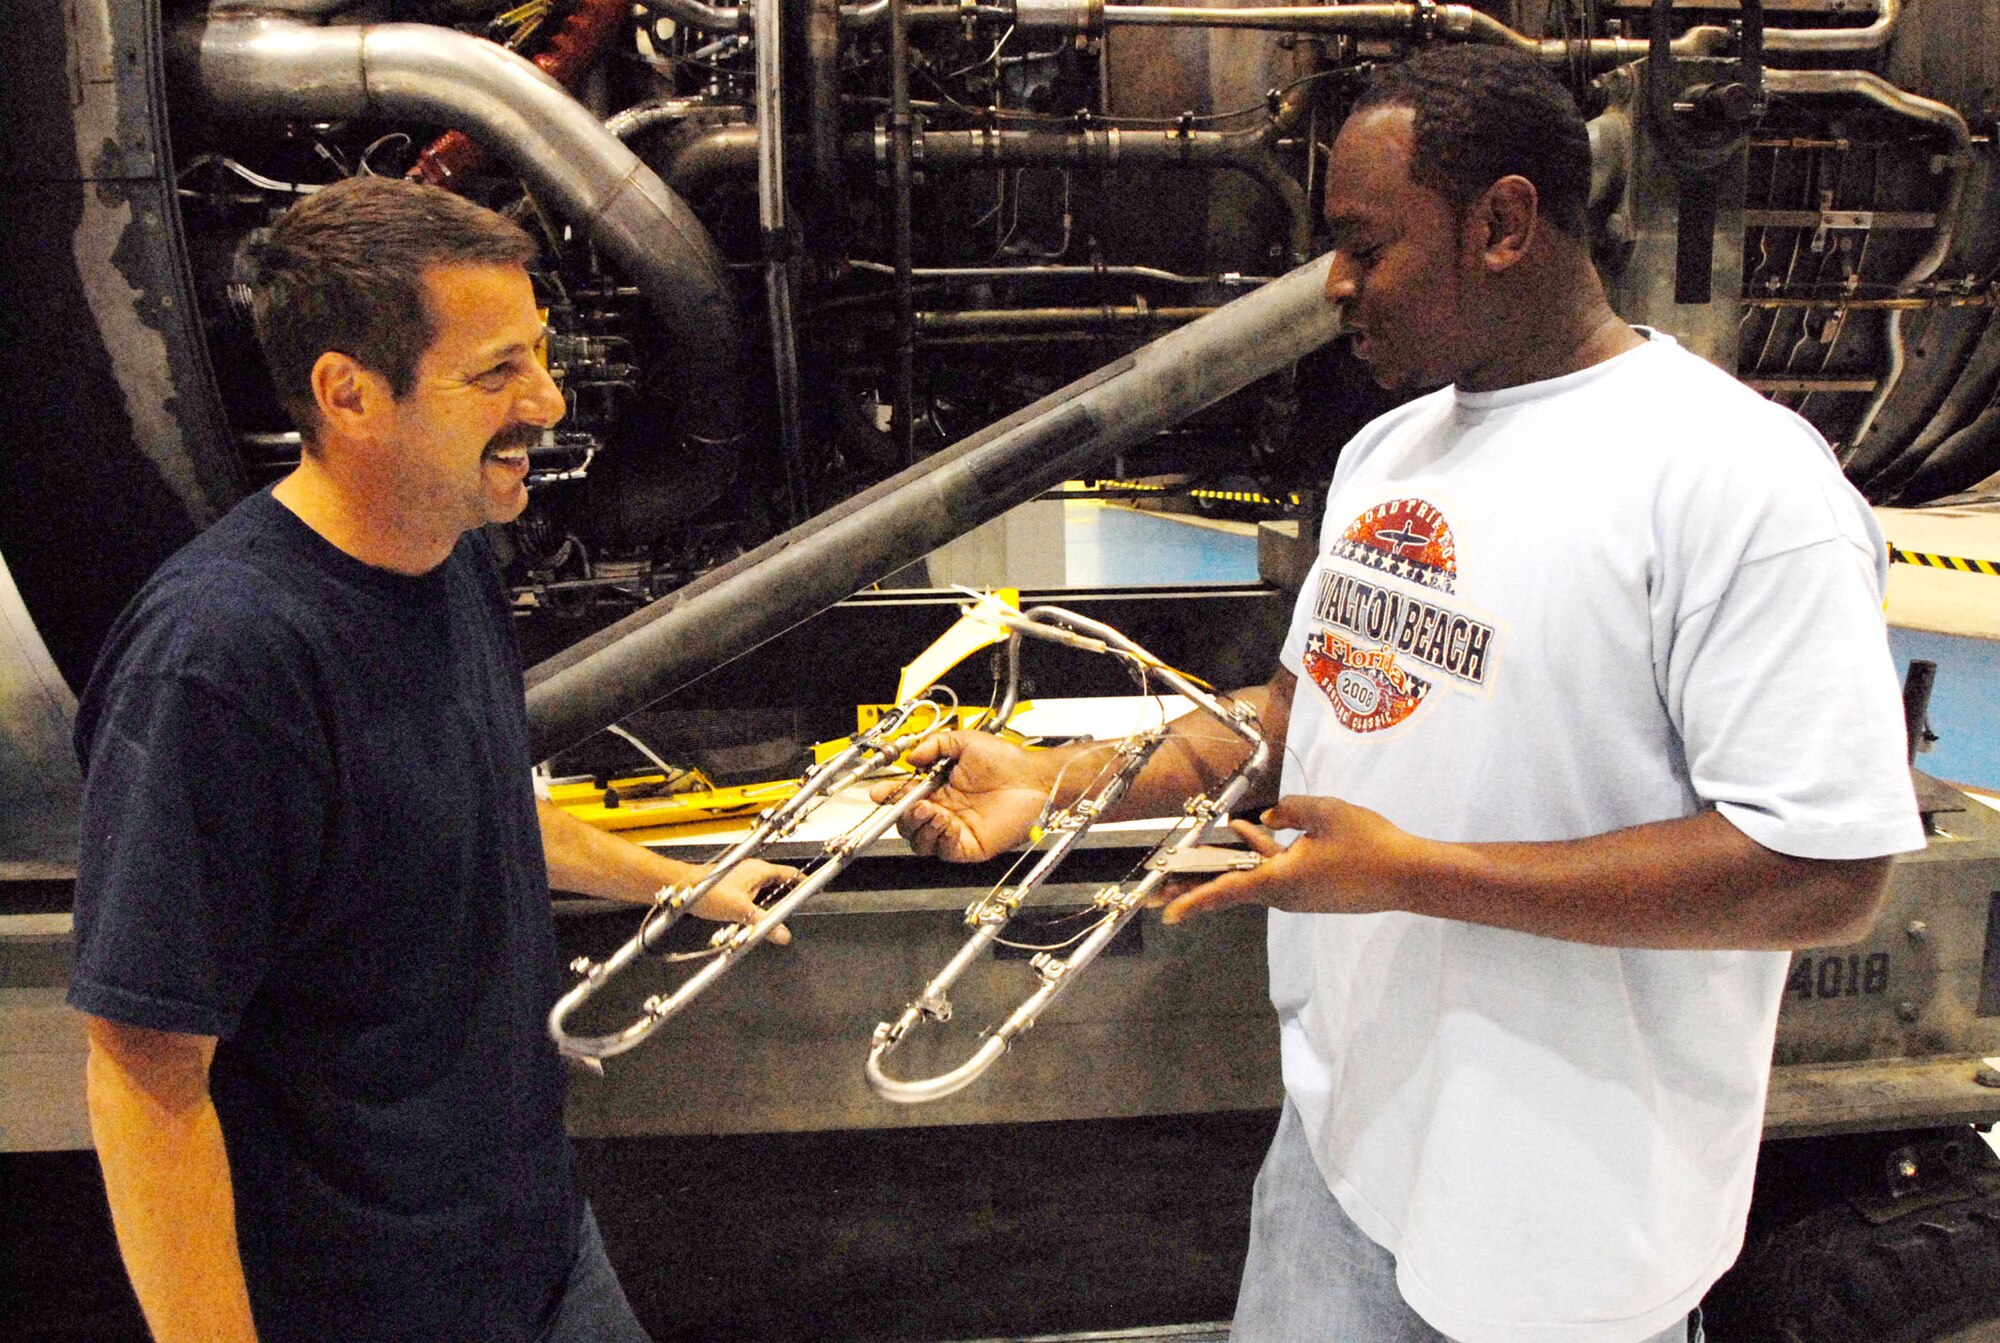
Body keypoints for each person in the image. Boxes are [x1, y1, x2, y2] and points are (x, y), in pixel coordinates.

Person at [875, 45, 1925, 1343]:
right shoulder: (1392, 448)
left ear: (1503, 224)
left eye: (1366, 245)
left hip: (1563, 1231)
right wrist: (1062, 777)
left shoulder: (1738, 483)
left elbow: (1822, 867)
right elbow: (1298, 719)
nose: (1335, 285)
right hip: (1344, 1153)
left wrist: (1414, 872)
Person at [68, 175, 793, 1343]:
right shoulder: (219, 663)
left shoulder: (449, 552)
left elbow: (474, 801)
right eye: (495, 371)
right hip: (364, 1301)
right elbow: (145, 1073)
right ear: (347, 394)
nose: (550, 400)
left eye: (541, 355)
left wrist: (676, 879)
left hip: (540, 1251)